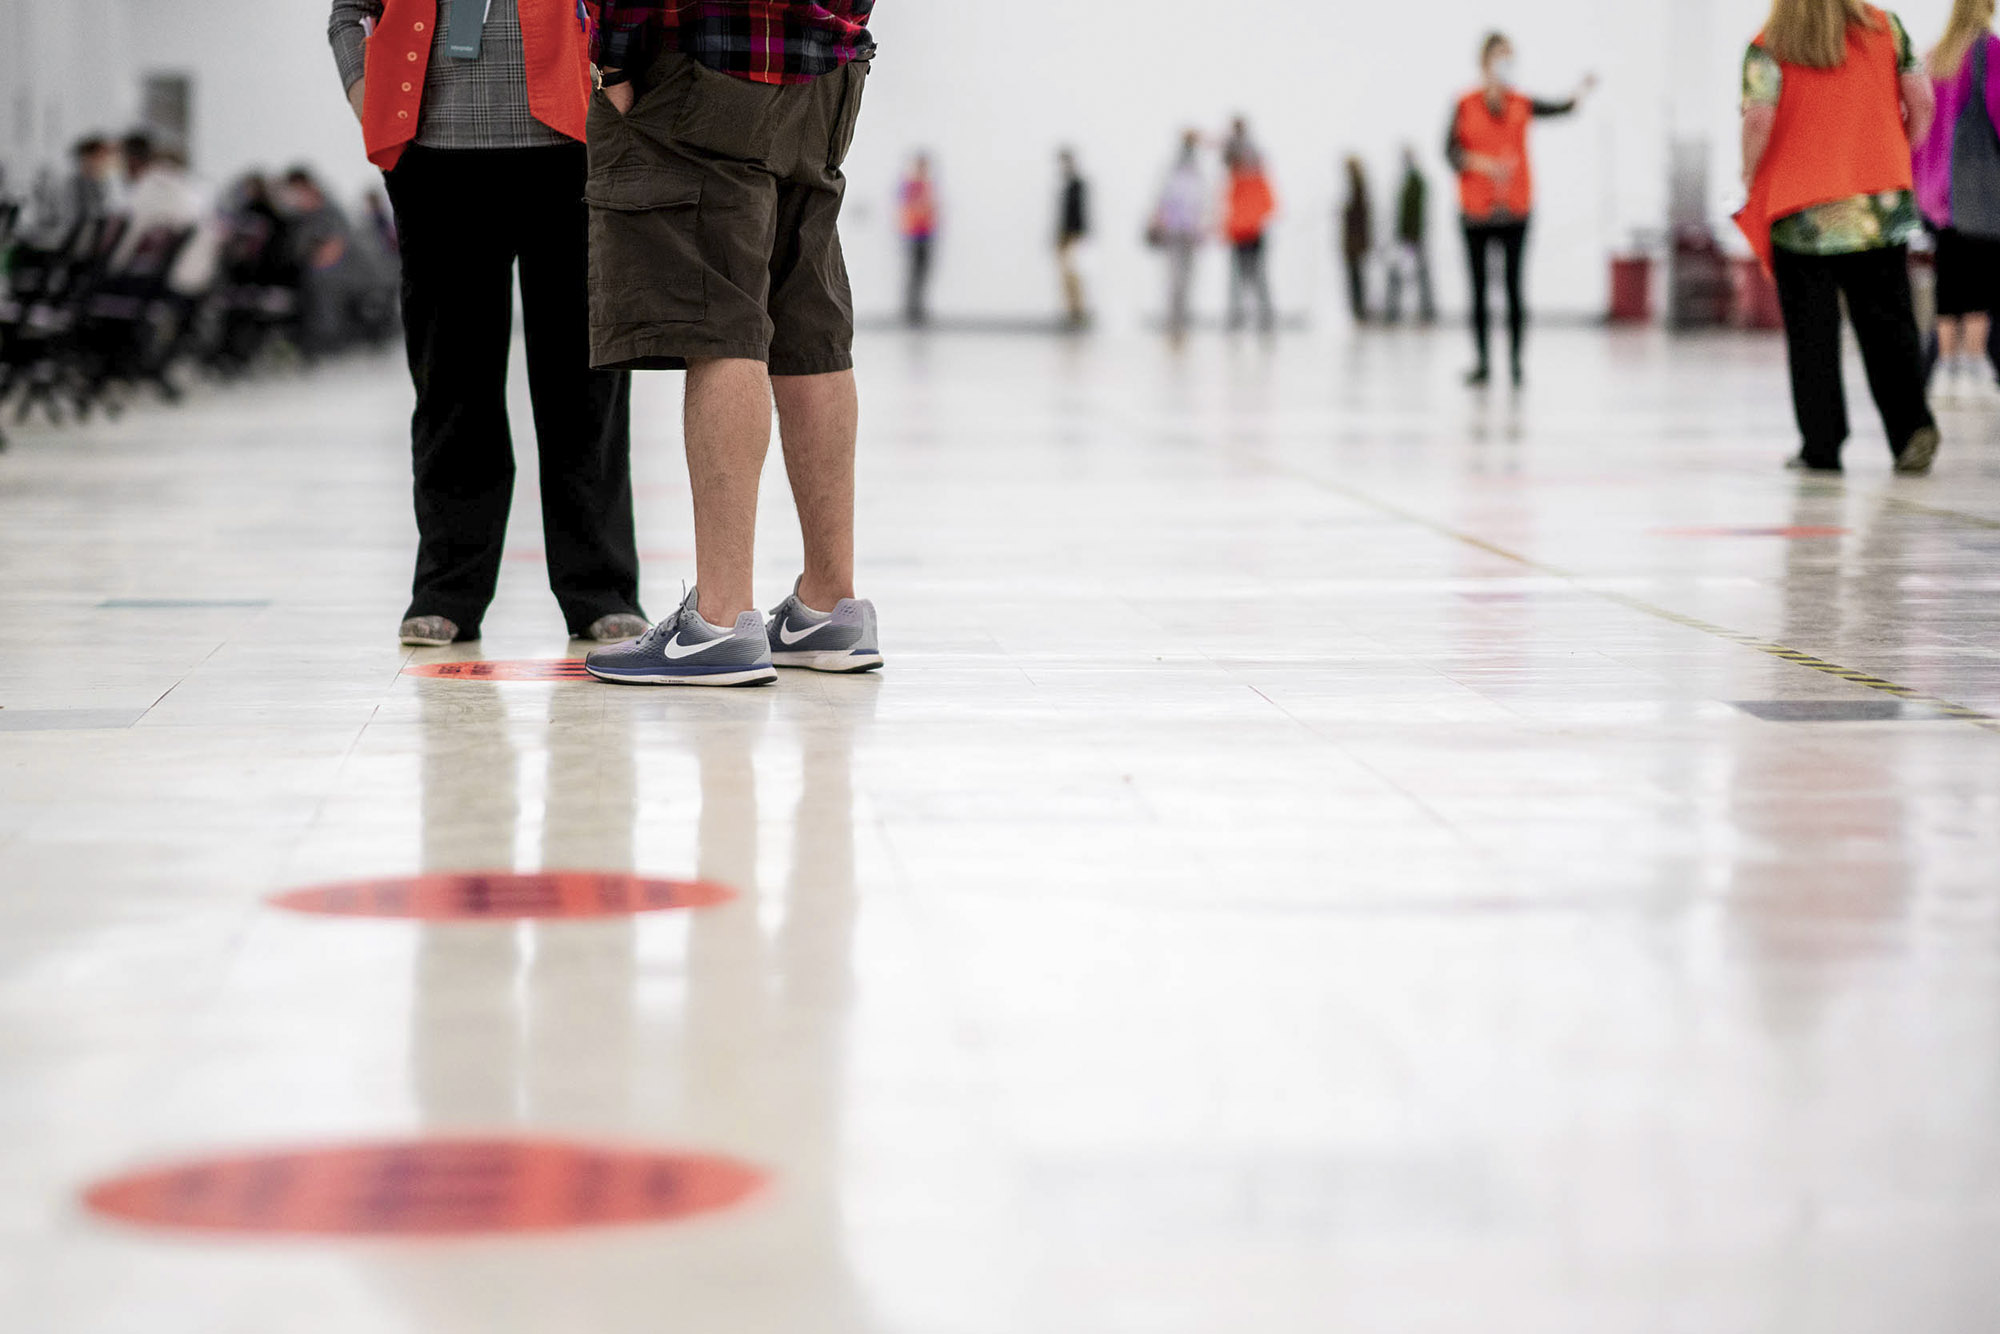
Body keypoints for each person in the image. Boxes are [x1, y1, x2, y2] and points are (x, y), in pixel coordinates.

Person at [578, 0, 883, 687]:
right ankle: (829, 607)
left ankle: (717, 622)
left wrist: (614, 58)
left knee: (720, 325)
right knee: (811, 329)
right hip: (826, 71)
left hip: (707, 55)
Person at [329, 0, 648, 648]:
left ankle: (600, 590)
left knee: (586, 384)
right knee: (451, 385)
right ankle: (447, 589)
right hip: (435, 157)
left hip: (574, 150)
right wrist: (367, 95)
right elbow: (348, 13)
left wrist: (624, 96)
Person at [1738, 0, 1940, 474]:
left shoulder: (1769, 44)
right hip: (1877, 204)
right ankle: (1911, 430)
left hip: (1800, 208)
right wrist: (1894, 153)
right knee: (1889, 324)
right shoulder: (1887, 28)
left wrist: (1749, 174)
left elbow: (1758, 119)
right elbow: (1923, 102)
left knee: (1813, 333)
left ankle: (1821, 445)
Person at [1447, 34, 1594, 386]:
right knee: (1479, 289)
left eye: (1510, 57)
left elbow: (1559, 108)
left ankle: (1514, 364)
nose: (1506, 64)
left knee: (1514, 287)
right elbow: (1450, 152)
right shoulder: (1465, 105)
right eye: (1500, 57)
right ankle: (1482, 363)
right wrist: (1483, 165)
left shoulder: (1520, 103)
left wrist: (1579, 93)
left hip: (1515, 209)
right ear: (1484, 63)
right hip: (1476, 211)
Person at [1913, 0, 2000, 395]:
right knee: (1981, 277)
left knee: (1947, 277)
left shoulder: (1933, 56)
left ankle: (1945, 372)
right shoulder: (1989, 49)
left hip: (1933, 188)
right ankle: (1975, 370)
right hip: (1977, 186)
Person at [1151, 130, 1208, 338]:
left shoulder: (1198, 174)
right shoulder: (1172, 173)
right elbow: (1163, 201)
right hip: (1174, 231)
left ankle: (1181, 320)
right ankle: (1174, 321)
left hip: (1190, 232)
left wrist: (1201, 228)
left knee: (1187, 279)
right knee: (1176, 278)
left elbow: (1201, 204)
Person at [1222, 118, 1277, 332]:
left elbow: (1269, 204)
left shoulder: (1254, 177)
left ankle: (1263, 317)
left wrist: (1253, 219)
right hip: (1240, 232)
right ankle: (1239, 317)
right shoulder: (1236, 177)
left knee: (1256, 277)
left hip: (1252, 232)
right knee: (1239, 278)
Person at [1385, 147, 1437, 324]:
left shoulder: (1416, 181)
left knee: (1419, 274)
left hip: (1412, 238)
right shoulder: (1408, 181)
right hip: (1406, 237)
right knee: (1400, 273)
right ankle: (1394, 311)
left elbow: (1415, 211)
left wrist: (1411, 235)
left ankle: (1426, 311)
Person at [900, 154, 938, 327]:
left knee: (923, 273)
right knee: (913, 273)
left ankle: (918, 309)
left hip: (926, 234)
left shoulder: (926, 185)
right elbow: (910, 208)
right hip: (914, 234)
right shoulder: (911, 186)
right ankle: (911, 312)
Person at [1056, 148, 1090, 328]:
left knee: (1074, 274)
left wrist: (1077, 235)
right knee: (1066, 276)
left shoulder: (1077, 185)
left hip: (1073, 236)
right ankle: (1072, 312)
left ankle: (1078, 312)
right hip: (1064, 236)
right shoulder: (1068, 186)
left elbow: (1079, 214)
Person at [1340, 156, 1373, 324]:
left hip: (1355, 242)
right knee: (1356, 277)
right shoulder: (1357, 187)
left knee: (1356, 278)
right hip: (1354, 242)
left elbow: (1360, 217)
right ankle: (1358, 310)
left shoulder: (1357, 188)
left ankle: (1360, 311)